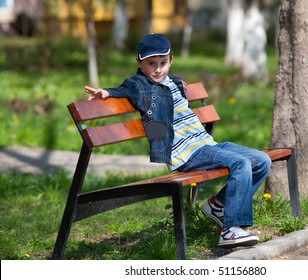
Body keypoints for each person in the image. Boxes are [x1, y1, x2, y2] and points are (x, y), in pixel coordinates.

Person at [84, 33, 271, 249]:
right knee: (241, 163)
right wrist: (106, 92)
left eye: (163, 63)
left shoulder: (173, 80)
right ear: (139, 62)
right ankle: (230, 230)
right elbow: (125, 89)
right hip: (186, 153)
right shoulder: (140, 84)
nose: (158, 69)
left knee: (261, 160)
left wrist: (176, 80)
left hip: (206, 144)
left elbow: (173, 80)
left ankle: (218, 205)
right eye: (151, 64)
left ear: (170, 60)